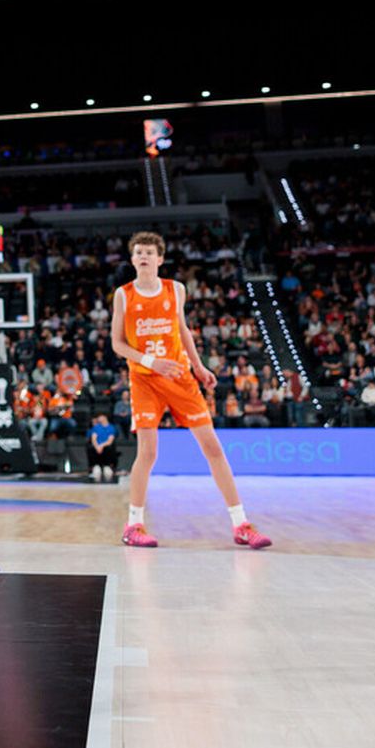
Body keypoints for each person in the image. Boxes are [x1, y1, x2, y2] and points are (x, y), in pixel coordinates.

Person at [113, 231, 272, 549]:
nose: (144, 256)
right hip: (144, 379)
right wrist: (150, 361)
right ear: (132, 259)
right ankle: (134, 525)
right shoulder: (123, 295)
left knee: (213, 447)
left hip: (180, 376)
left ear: (160, 259)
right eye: (138, 252)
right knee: (148, 452)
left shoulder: (176, 290)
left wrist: (199, 367)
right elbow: (117, 344)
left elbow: (182, 328)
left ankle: (240, 524)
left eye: (149, 252)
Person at [87, 413, 118, 481]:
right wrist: (97, 446)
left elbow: (110, 441)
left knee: (109, 448)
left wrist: (101, 446)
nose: (98, 418)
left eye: (100, 417)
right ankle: (95, 466)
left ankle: (107, 466)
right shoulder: (96, 427)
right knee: (91, 448)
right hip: (97, 447)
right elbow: (93, 439)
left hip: (105, 446)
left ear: (105, 417)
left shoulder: (111, 427)